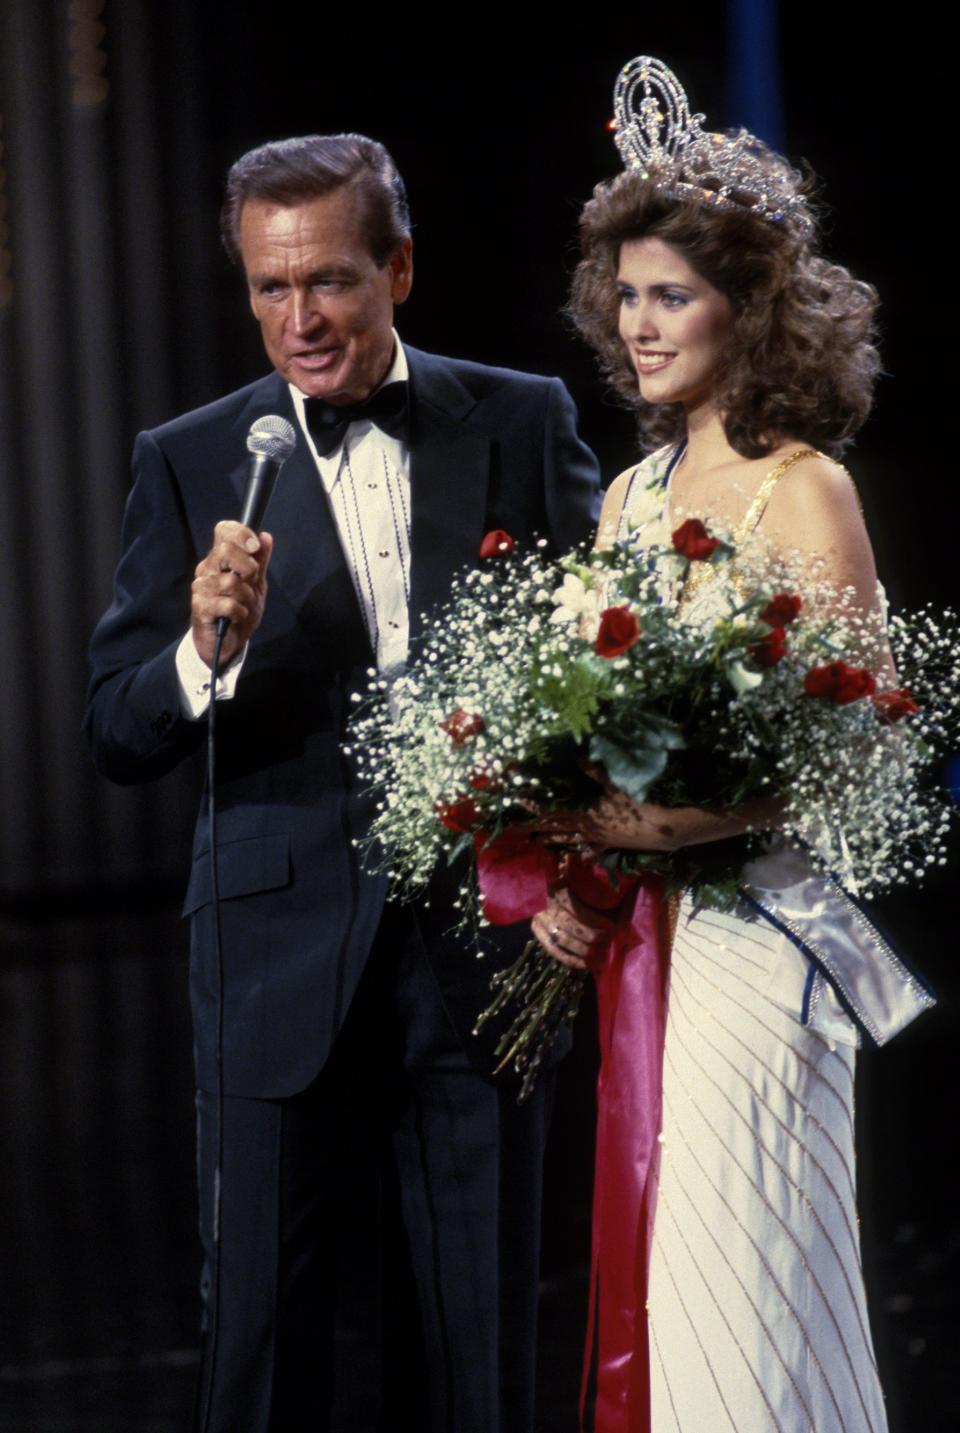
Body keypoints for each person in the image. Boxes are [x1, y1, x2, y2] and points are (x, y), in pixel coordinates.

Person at [84, 132, 601, 1433]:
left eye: (328, 281)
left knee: (483, 1330)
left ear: (400, 268)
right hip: (268, 950)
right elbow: (116, 725)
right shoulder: (191, 456)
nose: (298, 319)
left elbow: (612, 658)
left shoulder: (524, 416)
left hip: (484, 952)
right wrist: (205, 655)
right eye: (269, 286)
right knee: (261, 1333)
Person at [529, 57, 931, 1433]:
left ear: (746, 311)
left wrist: (684, 820)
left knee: (752, 1281)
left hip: (764, 940)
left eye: (672, 295)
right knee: (673, 1284)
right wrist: (566, 860)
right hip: (653, 942)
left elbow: (867, 741)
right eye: (626, 293)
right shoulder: (631, 493)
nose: (639, 324)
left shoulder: (801, 486)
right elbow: (583, 721)